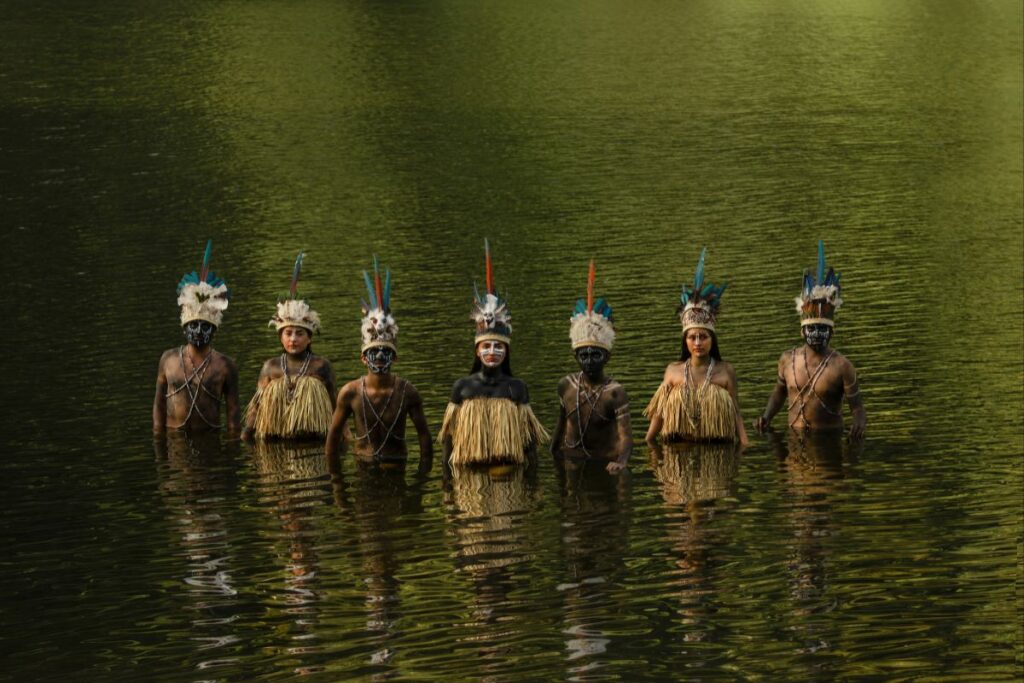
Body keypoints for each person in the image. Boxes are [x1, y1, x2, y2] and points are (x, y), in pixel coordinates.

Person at [439, 240, 548, 470]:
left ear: (506, 351)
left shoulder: (517, 388)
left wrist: (532, 484)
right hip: (470, 478)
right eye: (486, 346)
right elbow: (448, 443)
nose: (491, 352)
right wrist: (447, 485)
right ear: (477, 351)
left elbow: (530, 445)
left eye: (498, 347)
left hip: (509, 474)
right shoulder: (462, 388)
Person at [325, 257, 432, 473]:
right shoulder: (350, 392)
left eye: (386, 352)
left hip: (397, 465)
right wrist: (338, 487)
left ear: (396, 358)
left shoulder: (407, 392)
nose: (380, 357)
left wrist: (421, 480)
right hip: (363, 466)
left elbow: (424, 435)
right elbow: (333, 437)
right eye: (373, 352)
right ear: (363, 358)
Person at [754, 240, 866, 439]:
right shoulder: (787, 360)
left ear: (832, 332)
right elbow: (780, 393)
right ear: (802, 332)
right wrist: (766, 416)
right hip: (794, 439)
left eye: (823, 329)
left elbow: (857, 407)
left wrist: (859, 423)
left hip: (829, 439)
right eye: (811, 328)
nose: (817, 333)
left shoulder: (842, 366)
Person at [644, 248, 748, 445]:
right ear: (685, 340)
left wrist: (744, 444)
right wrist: (648, 442)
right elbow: (658, 414)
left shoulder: (726, 371)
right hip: (678, 454)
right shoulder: (672, 371)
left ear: (712, 339)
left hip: (718, 452)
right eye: (692, 337)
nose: (698, 343)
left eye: (703, 337)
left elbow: (735, 412)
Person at [243, 253, 336, 440]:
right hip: (274, 442)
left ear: (309, 338)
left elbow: (335, 407)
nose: (293, 339)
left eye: (300, 333)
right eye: (288, 333)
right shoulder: (270, 367)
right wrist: (245, 436)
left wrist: (344, 439)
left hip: (314, 442)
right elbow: (255, 408)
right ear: (280, 337)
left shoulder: (321, 366)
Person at [551, 260, 632, 474]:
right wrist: (553, 456)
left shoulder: (614, 392)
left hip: (605, 463)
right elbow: (560, 426)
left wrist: (621, 462)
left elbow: (626, 437)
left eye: (595, 355)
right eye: (583, 355)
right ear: (575, 356)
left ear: (607, 357)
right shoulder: (566, 386)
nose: (589, 360)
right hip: (572, 460)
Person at [153, 240, 240, 435]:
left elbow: (233, 414)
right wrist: (159, 443)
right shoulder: (169, 359)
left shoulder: (225, 366)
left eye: (205, 326)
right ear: (184, 328)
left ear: (215, 330)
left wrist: (232, 453)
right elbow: (158, 406)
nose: (199, 331)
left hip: (210, 441)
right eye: (193, 325)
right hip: (174, 441)